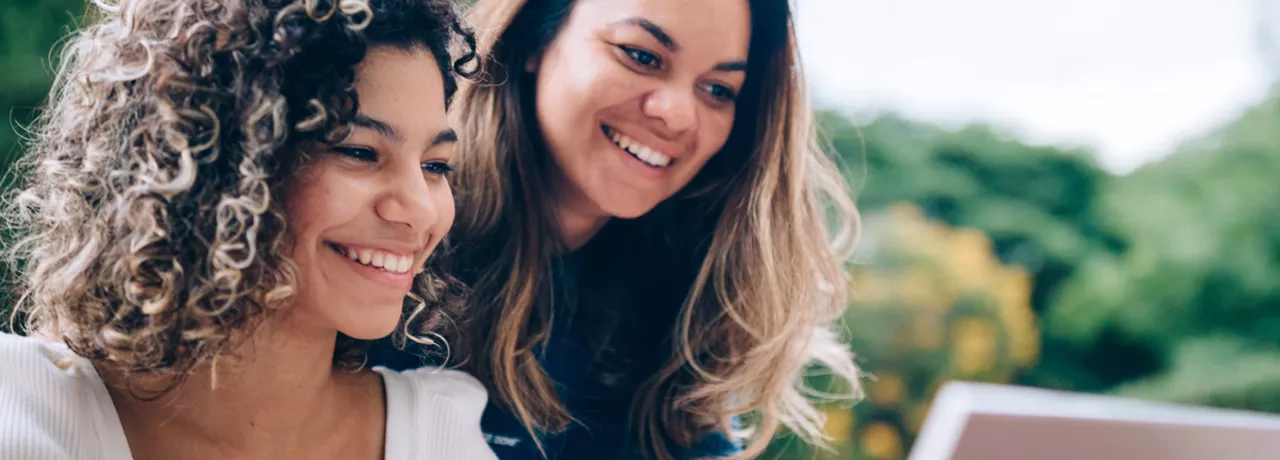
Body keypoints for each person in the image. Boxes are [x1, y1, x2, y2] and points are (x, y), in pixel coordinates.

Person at [368, 0, 864, 458]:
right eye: (641, 56)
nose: (677, 114)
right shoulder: (380, 251)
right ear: (538, 39)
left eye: (717, 90)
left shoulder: (685, 331)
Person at [0, 0, 492, 458]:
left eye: (435, 166)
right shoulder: (25, 412)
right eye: (360, 152)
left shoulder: (442, 435)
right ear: (213, 161)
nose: (420, 210)